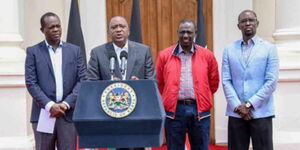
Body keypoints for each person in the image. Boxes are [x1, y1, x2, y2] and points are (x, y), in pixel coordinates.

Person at [86, 15, 156, 150]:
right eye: (114, 27)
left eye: (122, 26)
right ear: (108, 32)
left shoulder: (143, 51)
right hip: (110, 116)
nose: (118, 30)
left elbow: (152, 82)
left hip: (137, 115)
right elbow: (91, 84)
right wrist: (108, 84)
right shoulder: (98, 53)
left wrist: (140, 85)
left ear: (128, 31)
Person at [25, 12, 86, 150]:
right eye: (51, 27)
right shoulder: (33, 52)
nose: (56, 30)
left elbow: (82, 80)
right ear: (42, 30)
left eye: (58, 26)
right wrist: (50, 105)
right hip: (44, 113)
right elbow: (31, 83)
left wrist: (65, 104)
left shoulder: (74, 51)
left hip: (67, 114)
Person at [156, 19, 219, 150]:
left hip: (199, 111)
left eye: (189, 32)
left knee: (200, 147)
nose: (185, 36)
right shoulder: (164, 55)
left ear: (195, 33)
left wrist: (202, 95)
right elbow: (160, 83)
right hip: (174, 111)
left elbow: (213, 82)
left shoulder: (207, 55)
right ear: (177, 33)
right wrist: (170, 97)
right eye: (182, 32)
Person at [222, 10, 279, 150]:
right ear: (238, 26)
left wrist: (249, 105)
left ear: (257, 23)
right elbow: (226, 80)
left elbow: (271, 81)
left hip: (261, 112)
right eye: (243, 21)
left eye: (251, 20)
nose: (247, 23)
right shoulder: (229, 50)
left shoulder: (269, 49)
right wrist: (238, 106)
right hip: (236, 113)